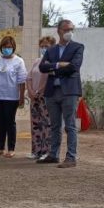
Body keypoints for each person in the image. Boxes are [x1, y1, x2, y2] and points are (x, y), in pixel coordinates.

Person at [38, 19, 84, 168]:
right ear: (58, 31)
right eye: (66, 29)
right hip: (52, 91)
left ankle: (71, 157)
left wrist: (53, 69)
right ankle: (53, 154)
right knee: (54, 125)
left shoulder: (78, 47)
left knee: (70, 125)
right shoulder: (51, 50)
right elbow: (42, 68)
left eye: (71, 29)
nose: (69, 32)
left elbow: (74, 67)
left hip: (69, 91)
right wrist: (58, 64)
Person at [0, 36, 27, 158]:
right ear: (1, 47)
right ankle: (0, 148)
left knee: (10, 122)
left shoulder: (19, 61)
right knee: (0, 122)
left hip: (11, 97)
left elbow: (22, 81)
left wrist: (21, 97)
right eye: (4, 47)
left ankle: (11, 149)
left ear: (13, 47)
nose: (6, 49)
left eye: (9, 47)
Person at [26, 36, 56, 160]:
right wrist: (31, 91)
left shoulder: (53, 62)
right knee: (35, 124)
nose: (43, 48)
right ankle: (36, 151)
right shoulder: (37, 61)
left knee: (46, 124)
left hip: (46, 97)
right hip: (34, 98)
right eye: (42, 46)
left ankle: (47, 152)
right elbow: (28, 77)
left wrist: (39, 91)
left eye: (46, 46)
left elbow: (50, 79)